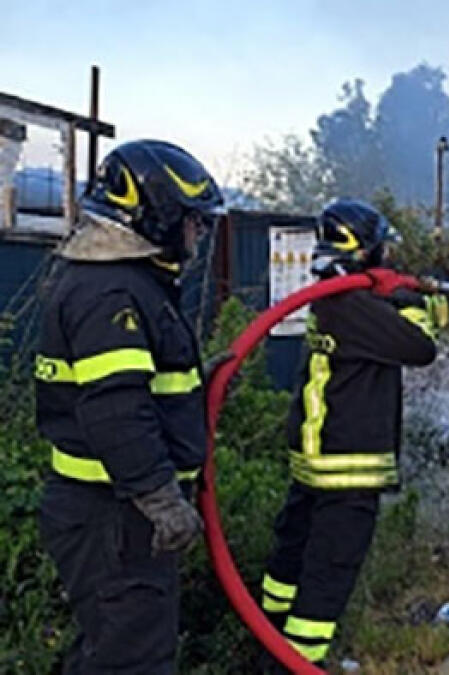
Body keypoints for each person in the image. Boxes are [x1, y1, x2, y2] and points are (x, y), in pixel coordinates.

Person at [35, 140, 224, 672]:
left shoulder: (123, 281)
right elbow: (116, 411)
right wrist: (161, 500)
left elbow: (135, 385)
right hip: (117, 514)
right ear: (156, 215)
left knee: (109, 650)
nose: (198, 233)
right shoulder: (111, 291)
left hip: (115, 511)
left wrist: (199, 381)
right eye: (192, 220)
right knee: (132, 661)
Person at [259, 198, 449, 667]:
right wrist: (408, 300)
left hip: (318, 463)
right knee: (327, 577)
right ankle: (299, 662)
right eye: (381, 247)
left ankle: (266, 647)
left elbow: (409, 323)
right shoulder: (349, 304)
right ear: (363, 250)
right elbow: (419, 345)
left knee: (291, 563)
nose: (387, 253)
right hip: (347, 470)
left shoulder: (334, 297)